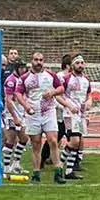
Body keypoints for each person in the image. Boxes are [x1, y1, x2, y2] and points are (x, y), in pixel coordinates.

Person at [21, 52, 67, 184]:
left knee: (53, 140)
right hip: (33, 114)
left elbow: (61, 88)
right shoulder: (25, 78)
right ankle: (36, 173)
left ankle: (58, 171)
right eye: (36, 60)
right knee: (36, 144)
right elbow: (18, 93)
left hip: (48, 112)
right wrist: (26, 105)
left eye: (41, 60)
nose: (38, 62)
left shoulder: (50, 75)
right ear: (32, 61)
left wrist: (52, 92)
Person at [59, 54, 96, 179]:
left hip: (81, 114)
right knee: (74, 141)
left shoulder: (86, 79)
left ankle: (69, 171)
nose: (80, 65)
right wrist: (68, 105)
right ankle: (59, 165)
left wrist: (89, 101)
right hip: (69, 114)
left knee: (78, 142)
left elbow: (89, 94)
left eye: (82, 63)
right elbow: (58, 95)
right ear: (72, 65)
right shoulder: (66, 78)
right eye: (77, 63)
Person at [2, 60, 31, 175]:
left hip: (21, 112)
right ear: (16, 68)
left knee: (24, 138)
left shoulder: (23, 79)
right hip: (11, 113)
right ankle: (6, 166)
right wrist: (14, 117)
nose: (24, 70)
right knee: (11, 139)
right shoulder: (11, 81)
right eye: (22, 68)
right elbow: (8, 100)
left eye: (25, 68)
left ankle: (16, 163)